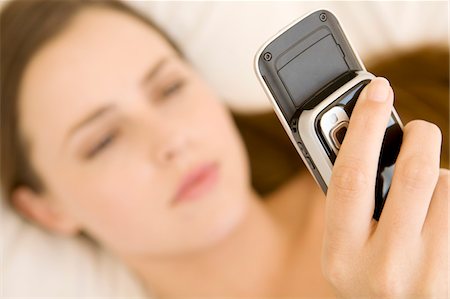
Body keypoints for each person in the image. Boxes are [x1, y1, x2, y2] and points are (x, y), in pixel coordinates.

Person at [1, 0, 448, 297]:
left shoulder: (419, 132)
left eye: (170, 87)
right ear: (46, 209)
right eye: (103, 140)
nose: (170, 141)